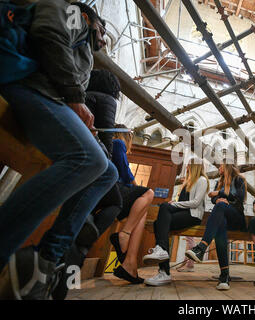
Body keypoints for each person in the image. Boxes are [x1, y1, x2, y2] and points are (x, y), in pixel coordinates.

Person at [0, 1, 118, 300]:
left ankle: (46, 259)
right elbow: (49, 33)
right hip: (31, 88)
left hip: (51, 100)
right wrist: (76, 98)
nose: (104, 41)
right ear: (94, 20)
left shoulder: (86, 51)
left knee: (108, 171)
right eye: (105, 33)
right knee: (88, 159)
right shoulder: (75, 13)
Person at [51, 69, 123, 300]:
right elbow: (106, 139)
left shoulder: (82, 94)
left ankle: (60, 282)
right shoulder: (107, 100)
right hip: (90, 166)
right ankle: (88, 234)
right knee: (115, 202)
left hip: (64, 160)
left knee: (71, 224)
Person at [143, 157, 209, 286]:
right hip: (184, 213)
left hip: (193, 216)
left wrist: (175, 204)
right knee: (159, 222)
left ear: (195, 166)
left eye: (189, 165)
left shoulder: (202, 180)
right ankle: (163, 270)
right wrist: (174, 204)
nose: (187, 167)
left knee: (164, 209)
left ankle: (164, 268)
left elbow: (195, 203)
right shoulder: (188, 182)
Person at [185, 163, 247, 291]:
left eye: (221, 166)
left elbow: (239, 196)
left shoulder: (239, 179)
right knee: (220, 228)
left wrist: (219, 194)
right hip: (222, 217)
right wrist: (218, 200)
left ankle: (202, 247)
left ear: (227, 167)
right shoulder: (219, 181)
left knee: (220, 207)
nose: (218, 168)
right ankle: (224, 276)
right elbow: (213, 199)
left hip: (236, 217)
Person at [110, 124, 154, 284]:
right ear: (127, 136)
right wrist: (137, 187)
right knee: (149, 192)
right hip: (113, 190)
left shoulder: (113, 144)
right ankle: (124, 233)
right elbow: (124, 170)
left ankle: (130, 264)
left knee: (142, 214)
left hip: (116, 191)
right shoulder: (118, 142)